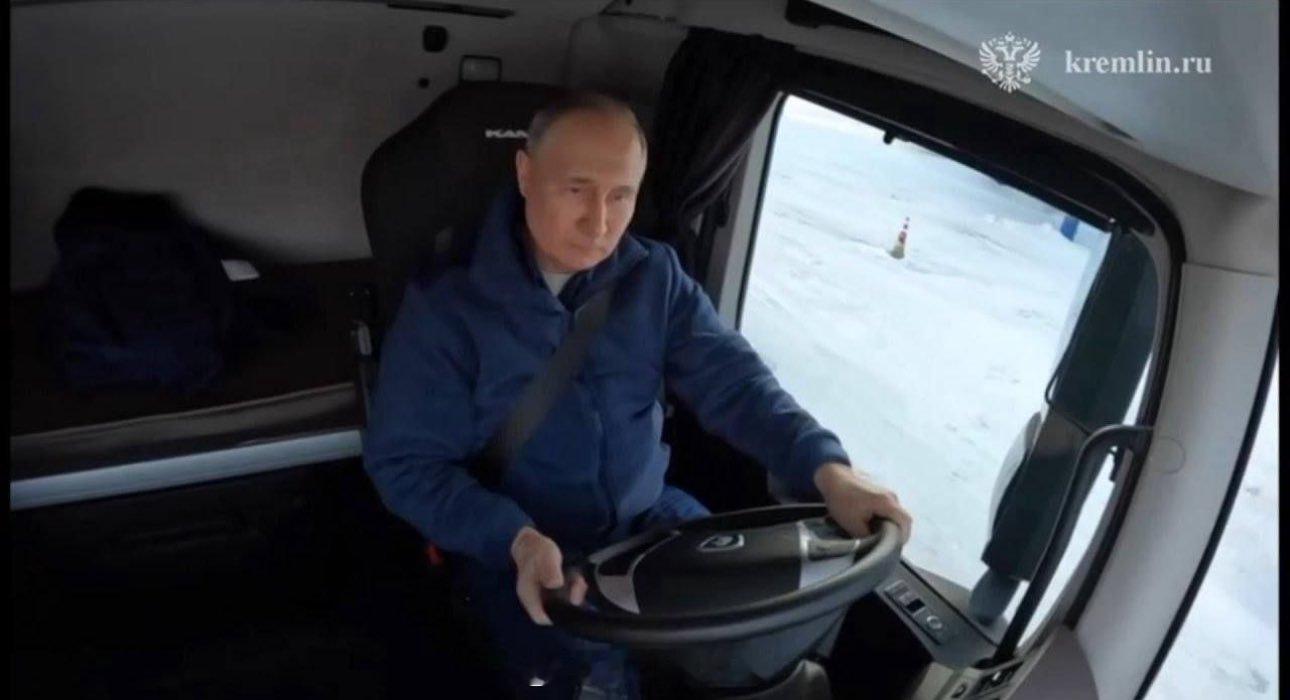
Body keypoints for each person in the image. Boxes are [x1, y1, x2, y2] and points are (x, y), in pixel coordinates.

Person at [362, 91, 913, 699]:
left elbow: (736, 383)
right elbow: (405, 464)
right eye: (576, 189)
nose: (599, 222)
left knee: (754, 638)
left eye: (620, 195)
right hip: (522, 549)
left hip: (652, 523)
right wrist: (513, 539)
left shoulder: (655, 278)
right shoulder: (450, 309)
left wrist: (828, 469)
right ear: (525, 174)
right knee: (590, 682)